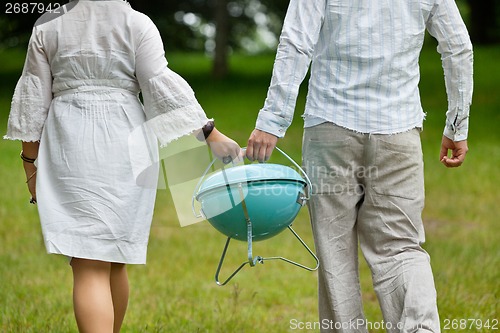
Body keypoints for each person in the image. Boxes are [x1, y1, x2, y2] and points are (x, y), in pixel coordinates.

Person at [4, 0, 240, 332]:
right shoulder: (136, 23)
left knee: (89, 264)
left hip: (71, 145)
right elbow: (160, 85)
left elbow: (34, 98)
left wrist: (30, 164)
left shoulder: (48, 24)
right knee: (113, 259)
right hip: (127, 142)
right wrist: (210, 134)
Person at [246, 0, 472, 332]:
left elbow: (296, 40)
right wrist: (456, 126)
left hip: (330, 127)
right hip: (398, 128)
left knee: (335, 252)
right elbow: (458, 47)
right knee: (401, 247)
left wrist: (272, 120)